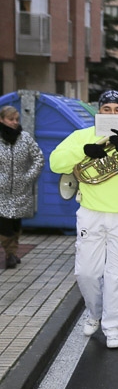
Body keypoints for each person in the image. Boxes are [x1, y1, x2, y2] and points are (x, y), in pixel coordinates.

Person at [49, 90, 118, 349]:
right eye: (108, 109)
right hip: (91, 212)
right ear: (99, 111)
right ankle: (94, 313)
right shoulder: (82, 135)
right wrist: (83, 152)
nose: (113, 113)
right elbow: (55, 163)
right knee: (86, 272)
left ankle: (113, 327)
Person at [0, 105, 44, 269]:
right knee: (4, 224)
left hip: (21, 190)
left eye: (17, 120)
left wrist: (28, 177)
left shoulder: (25, 138)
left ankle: (13, 251)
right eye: (11, 119)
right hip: (1, 192)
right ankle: (10, 254)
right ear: (2, 120)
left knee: (15, 223)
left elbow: (38, 159)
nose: (14, 123)